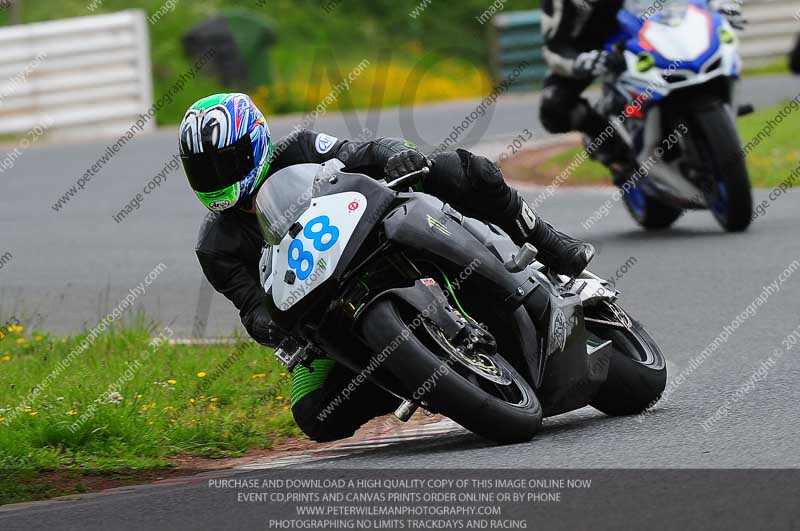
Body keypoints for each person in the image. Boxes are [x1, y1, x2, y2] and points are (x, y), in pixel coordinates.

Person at [180, 92, 595, 441]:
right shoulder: (215, 246)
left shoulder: (299, 148)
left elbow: (360, 152)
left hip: (376, 235)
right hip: (323, 313)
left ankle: (548, 242)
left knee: (462, 169)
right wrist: (270, 328)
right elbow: (250, 308)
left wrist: (395, 154)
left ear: (254, 141)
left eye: (223, 162)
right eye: (201, 169)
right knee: (314, 414)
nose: (213, 177)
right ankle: (419, 378)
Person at [539, 0, 746, 184]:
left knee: (714, 48)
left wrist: (724, 5)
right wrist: (580, 62)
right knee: (554, 104)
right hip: (595, 48)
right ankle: (616, 151)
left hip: (653, 29)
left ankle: (722, 111)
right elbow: (554, 47)